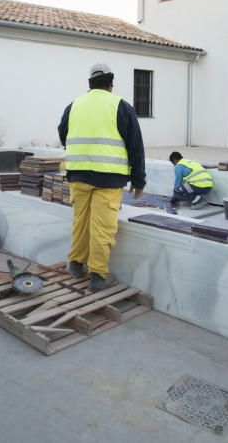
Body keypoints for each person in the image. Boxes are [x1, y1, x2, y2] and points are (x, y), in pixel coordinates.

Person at [58, 63, 146, 292]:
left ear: (90, 84)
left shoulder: (74, 105)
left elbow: (63, 133)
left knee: (81, 221)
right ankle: (97, 275)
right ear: (111, 84)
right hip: (109, 178)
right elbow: (136, 146)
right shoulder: (120, 106)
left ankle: (76, 264)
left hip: (78, 174)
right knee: (102, 227)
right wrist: (139, 181)